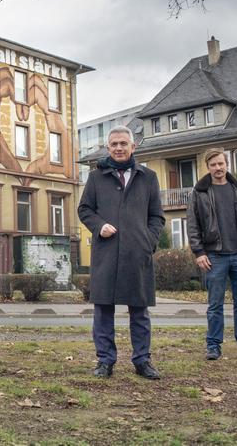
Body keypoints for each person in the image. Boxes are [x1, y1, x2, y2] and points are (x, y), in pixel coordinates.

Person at [78, 126, 165, 379]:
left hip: (138, 254)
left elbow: (157, 217)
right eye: (114, 144)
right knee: (103, 310)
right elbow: (84, 209)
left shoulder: (148, 177)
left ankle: (142, 360)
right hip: (106, 253)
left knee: (139, 310)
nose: (118, 148)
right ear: (108, 147)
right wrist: (98, 226)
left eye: (123, 143)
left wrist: (148, 242)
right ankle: (105, 361)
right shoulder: (96, 178)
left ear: (132, 147)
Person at [186, 148, 237, 361]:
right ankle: (213, 346)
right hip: (214, 257)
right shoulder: (200, 192)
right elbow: (193, 225)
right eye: (213, 165)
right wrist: (199, 252)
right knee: (215, 305)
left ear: (226, 164)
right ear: (208, 167)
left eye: (221, 164)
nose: (218, 168)